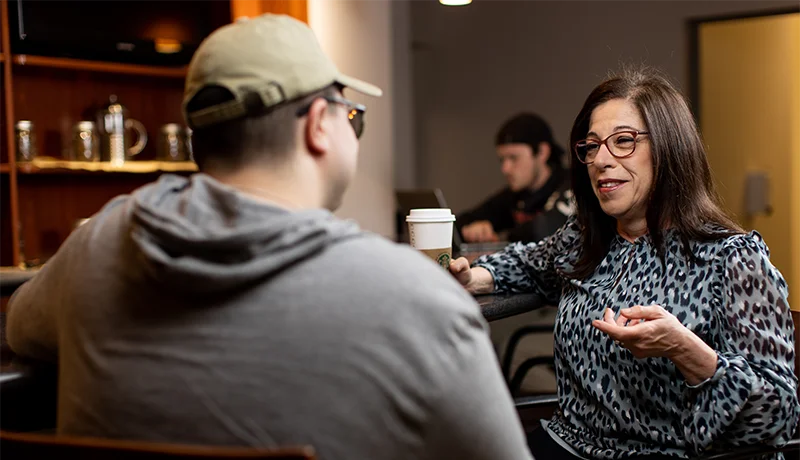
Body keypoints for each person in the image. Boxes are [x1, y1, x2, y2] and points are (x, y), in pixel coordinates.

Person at [5, 14, 533, 460]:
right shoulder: (420, 302)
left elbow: (21, 331)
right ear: (317, 128)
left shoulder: (97, 244)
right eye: (352, 115)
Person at [450, 67, 800, 459]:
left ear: (669, 149)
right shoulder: (587, 237)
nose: (601, 160)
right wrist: (473, 276)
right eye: (592, 146)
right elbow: (528, 262)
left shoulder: (733, 258)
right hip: (571, 443)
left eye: (623, 142)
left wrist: (685, 350)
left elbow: (778, 415)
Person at [457, 113, 574, 244]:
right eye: (502, 160)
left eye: (514, 158)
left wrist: (501, 238)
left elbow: (545, 229)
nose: (505, 169)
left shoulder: (573, 184)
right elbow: (463, 221)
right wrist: (472, 229)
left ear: (542, 152)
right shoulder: (515, 195)